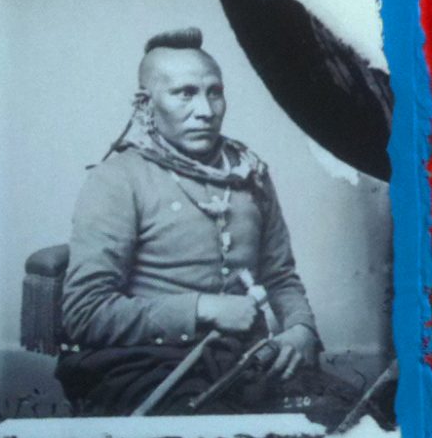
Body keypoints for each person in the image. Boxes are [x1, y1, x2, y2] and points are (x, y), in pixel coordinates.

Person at [55, 27, 330, 417]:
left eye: (214, 92)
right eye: (185, 93)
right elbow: (85, 312)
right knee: (212, 433)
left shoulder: (250, 174)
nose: (205, 110)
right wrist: (202, 308)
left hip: (247, 358)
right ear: (145, 105)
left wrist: (301, 328)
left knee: (344, 418)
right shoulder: (117, 179)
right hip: (147, 364)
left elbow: (280, 276)